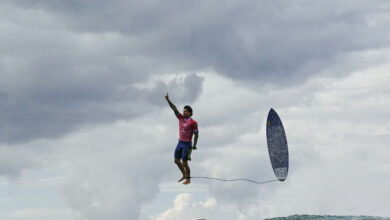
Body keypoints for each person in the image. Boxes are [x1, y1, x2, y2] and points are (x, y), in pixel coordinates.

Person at [165, 92, 199, 185]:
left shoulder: (193, 122)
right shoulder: (180, 118)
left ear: (190, 113)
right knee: (176, 161)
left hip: (187, 145)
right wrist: (168, 100)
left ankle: (188, 179)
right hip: (180, 143)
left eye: (185, 111)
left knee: (185, 163)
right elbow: (174, 108)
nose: (183, 112)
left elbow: (196, 134)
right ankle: (184, 174)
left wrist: (195, 145)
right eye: (183, 111)